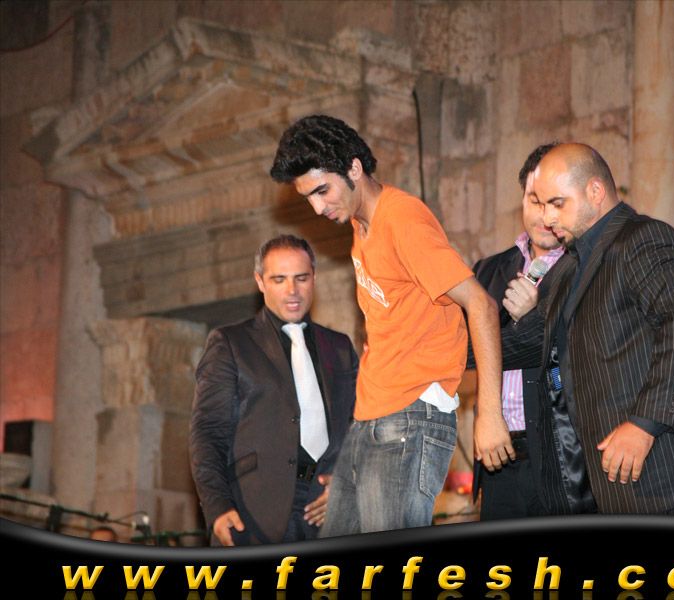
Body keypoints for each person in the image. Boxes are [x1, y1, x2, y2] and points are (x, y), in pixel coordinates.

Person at [269, 115, 507, 535]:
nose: (318, 208)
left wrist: (490, 413)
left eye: (322, 191)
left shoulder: (402, 219)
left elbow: (481, 305)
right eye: (308, 198)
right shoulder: (360, 227)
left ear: (354, 168)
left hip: (411, 417)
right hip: (370, 420)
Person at [513, 142, 674, 515]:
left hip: (661, 474)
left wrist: (644, 425)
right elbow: (530, 342)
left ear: (595, 191)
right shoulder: (567, 268)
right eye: (542, 204)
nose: (548, 218)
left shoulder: (643, 239)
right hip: (601, 484)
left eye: (557, 203)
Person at [189, 235, 358, 545]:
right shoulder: (230, 343)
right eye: (279, 279)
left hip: (327, 513)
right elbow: (207, 432)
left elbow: (359, 427)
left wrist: (346, 483)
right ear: (260, 281)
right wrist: (217, 507)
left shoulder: (340, 347)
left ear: (314, 278)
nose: (292, 290)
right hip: (253, 513)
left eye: (301, 278)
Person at [468, 143, 564, 520]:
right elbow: (467, 352)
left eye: (554, 203)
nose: (543, 215)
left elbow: (580, 345)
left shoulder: (584, 266)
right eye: (534, 200)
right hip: (498, 456)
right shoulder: (488, 271)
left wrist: (536, 313)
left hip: (563, 459)